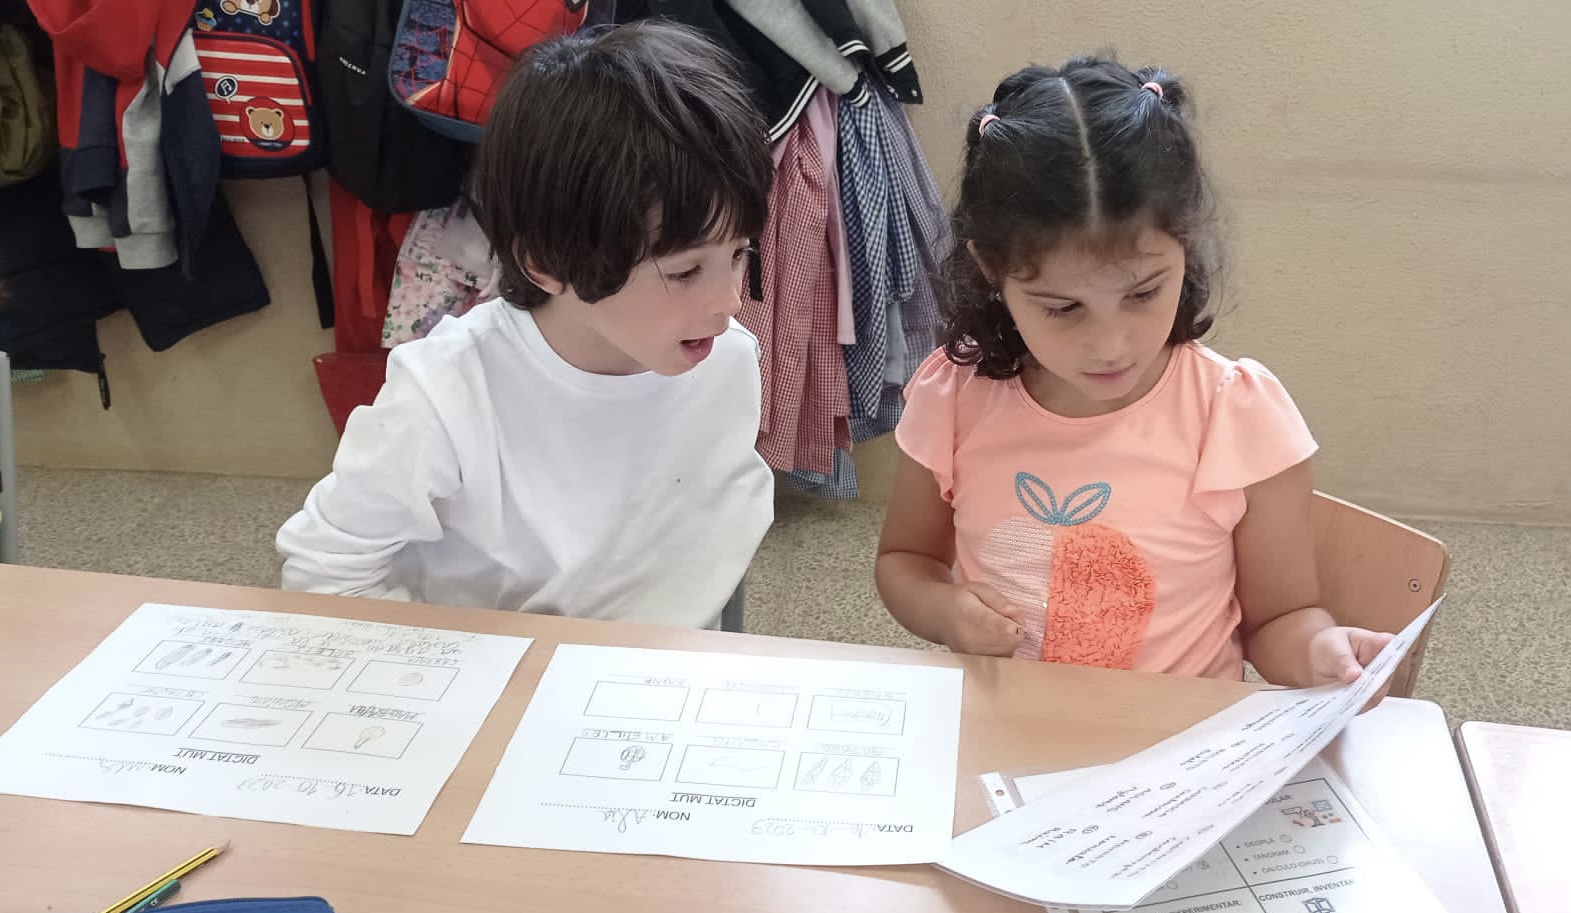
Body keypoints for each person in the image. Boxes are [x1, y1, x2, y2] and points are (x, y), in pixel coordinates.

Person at [875, 57, 1394, 688]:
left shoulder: (1234, 411)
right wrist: (943, 610)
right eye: (1063, 308)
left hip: (1178, 737)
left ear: (1186, 245)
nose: (1111, 346)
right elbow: (906, 559)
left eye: (1144, 293)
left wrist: (1320, 651)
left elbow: (1280, 619)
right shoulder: (955, 397)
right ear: (991, 271)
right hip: (1009, 725)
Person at [277, 21, 774, 629]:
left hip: (654, 667)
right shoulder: (448, 391)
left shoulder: (727, 358)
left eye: (740, 253)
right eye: (685, 270)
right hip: (497, 666)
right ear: (548, 262)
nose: (730, 303)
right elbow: (325, 573)